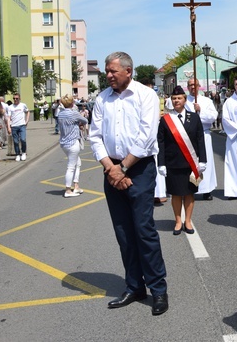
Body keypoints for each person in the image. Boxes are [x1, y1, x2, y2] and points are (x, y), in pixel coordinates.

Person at [89, 51, 168, 315]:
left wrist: (123, 168)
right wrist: (111, 168)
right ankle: (134, 286)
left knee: (144, 230)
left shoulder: (146, 96)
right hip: (111, 169)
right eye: (107, 71)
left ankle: (158, 289)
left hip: (140, 168)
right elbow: (95, 136)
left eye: (113, 71)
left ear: (128, 71)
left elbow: (146, 136)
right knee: (123, 233)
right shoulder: (102, 99)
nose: (108, 76)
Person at [158, 85, 206, 235]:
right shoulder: (166, 120)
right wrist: (161, 163)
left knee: (189, 193)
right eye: (174, 98)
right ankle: (178, 221)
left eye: (179, 98)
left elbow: (200, 139)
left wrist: (203, 160)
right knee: (176, 193)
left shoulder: (195, 117)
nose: (176, 100)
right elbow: (161, 142)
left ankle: (188, 221)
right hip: (173, 163)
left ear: (185, 100)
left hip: (190, 163)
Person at [185, 78, 218, 201]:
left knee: (205, 162)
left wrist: (200, 111)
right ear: (187, 87)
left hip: (204, 135)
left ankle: (206, 189)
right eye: (190, 85)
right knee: (191, 162)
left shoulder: (206, 101)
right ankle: (191, 188)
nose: (193, 87)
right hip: (188, 136)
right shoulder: (184, 101)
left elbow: (213, 117)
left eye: (195, 85)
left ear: (199, 86)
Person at [58, 94, 88, 197]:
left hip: (64, 143)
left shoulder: (60, 114)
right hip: (73, 143)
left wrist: (76, 123)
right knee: (71, 167)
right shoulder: (74, 113)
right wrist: (79, 121)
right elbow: (85, 121)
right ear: (72, 103)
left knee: (78, 163)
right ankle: (68, 190)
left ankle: (76, 186)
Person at [6, 93, 30, 161]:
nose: (15, 100)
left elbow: (28, 112)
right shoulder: (10, 107)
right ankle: (17, 154)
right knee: (16, 141)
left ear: (19, 98)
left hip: (22, 125)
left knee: (23, 139)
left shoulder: (23, 105)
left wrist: (27, 121)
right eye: (14, 98)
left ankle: (23, 152)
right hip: (14, 126)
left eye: (17, 98)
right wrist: (8, 127)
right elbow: (8, 117)